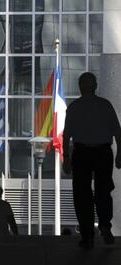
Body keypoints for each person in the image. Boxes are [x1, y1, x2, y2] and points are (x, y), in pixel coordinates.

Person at [63, 72, 121, 249]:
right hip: (103, 152)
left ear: (81, 86)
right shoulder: (105, 105)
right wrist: (119, 154)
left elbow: (66, 136)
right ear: (95, 86)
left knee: (82, 194)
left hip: (81, 153)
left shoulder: (74, 107)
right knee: (103, 190)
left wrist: (66, 157)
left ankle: (88, 234)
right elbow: (117, 132)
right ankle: (104, 225)